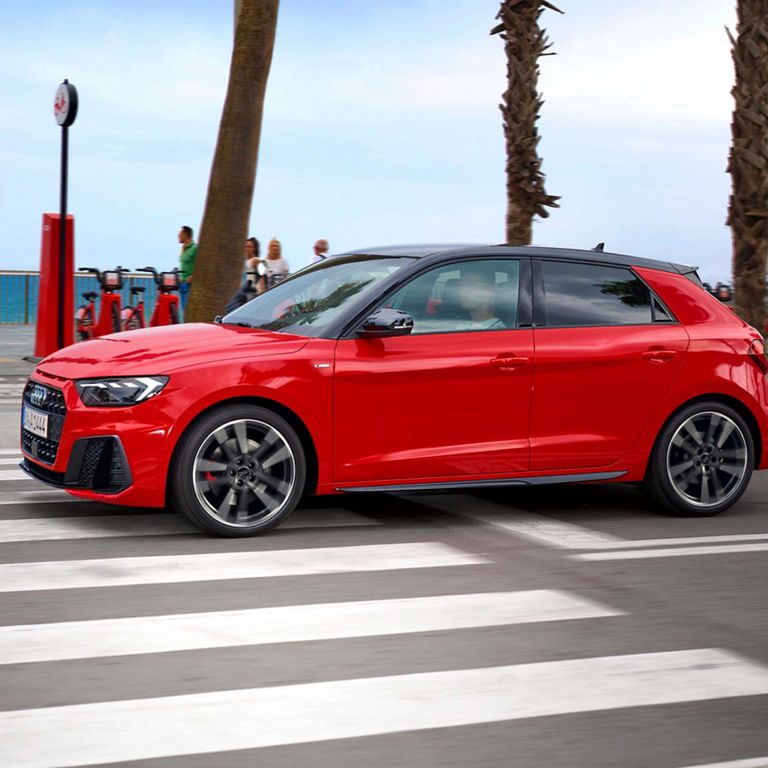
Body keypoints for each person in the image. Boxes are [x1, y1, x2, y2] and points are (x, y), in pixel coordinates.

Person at [224, 237, 261, 314]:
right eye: (246, 246)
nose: (247, 248)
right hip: (240, 291)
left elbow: (261, 275)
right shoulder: (242, 260)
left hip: (249, 292)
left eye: (249, 246)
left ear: (254, 248)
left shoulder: (255, 260)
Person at [178, 225, 197, 312]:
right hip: (182, 283)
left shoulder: (194, 248)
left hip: (189, 284)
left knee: (188, 311)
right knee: (184, 311)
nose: (178, 236)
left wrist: (191, 278)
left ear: (185, 235)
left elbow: (199, 265)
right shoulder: (183, 248)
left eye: (180, 234)